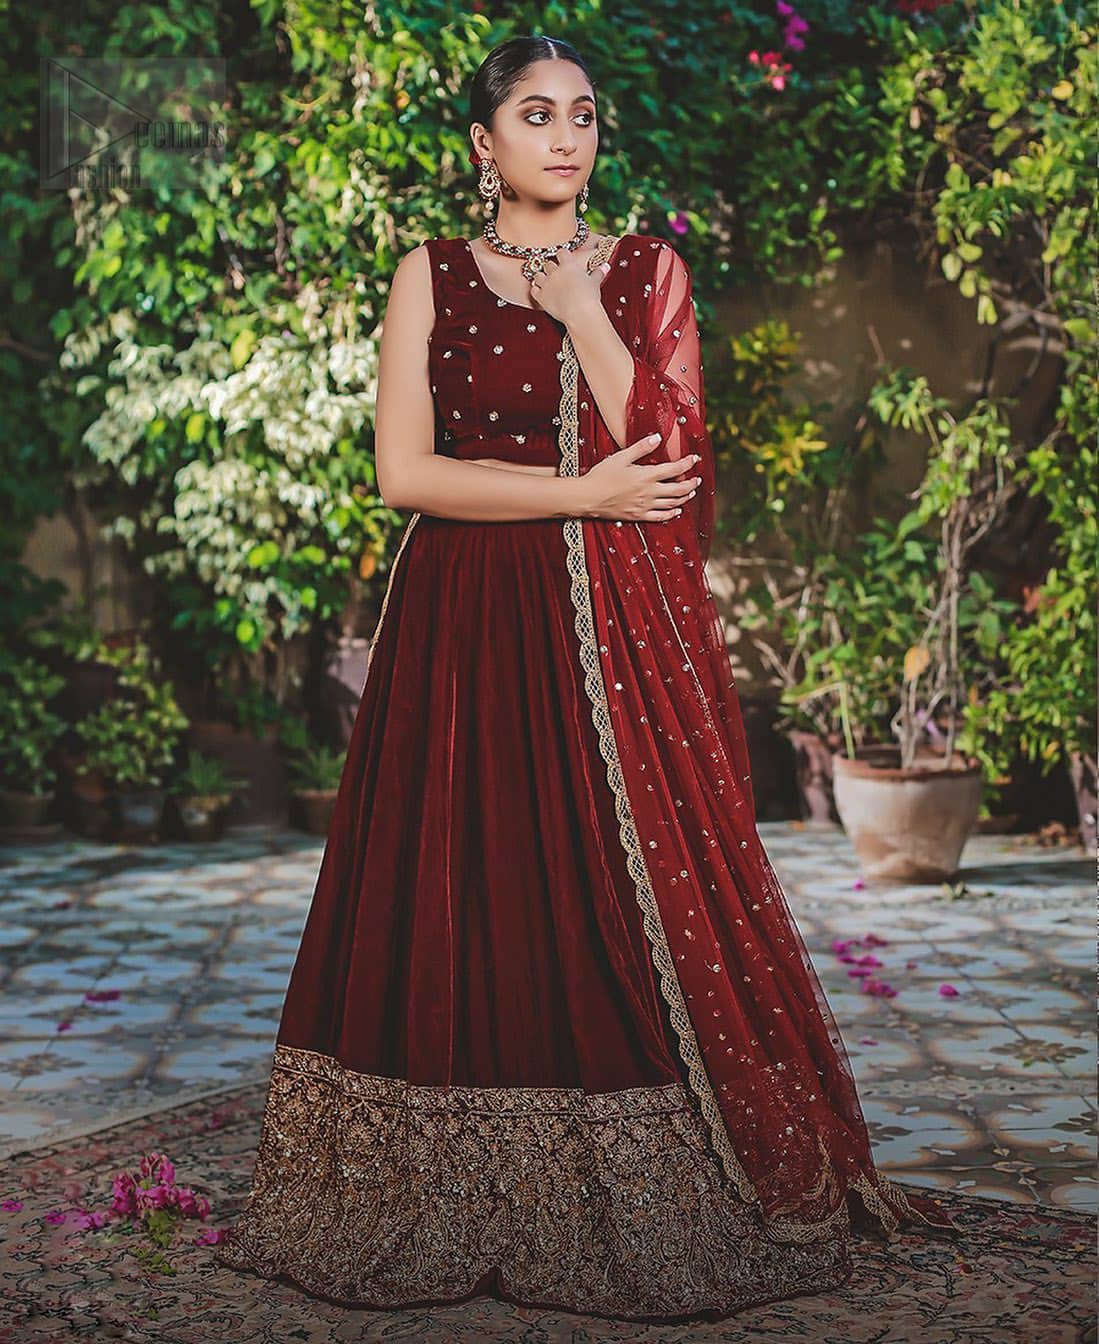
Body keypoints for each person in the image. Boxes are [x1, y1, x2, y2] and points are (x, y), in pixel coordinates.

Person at [215, 33, 960, 1325]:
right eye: (535, 113)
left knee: (605, 892)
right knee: (460, 881)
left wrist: (576, 315)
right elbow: (406, 475)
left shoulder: (641, 270)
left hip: (602, 637)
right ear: (482, 143)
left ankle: (642, 1173)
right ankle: (439, 1181)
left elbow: (664, 465)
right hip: (454, 630)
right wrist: (572, 495)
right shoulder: (428, 275)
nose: (566, 138)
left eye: (584, 117)